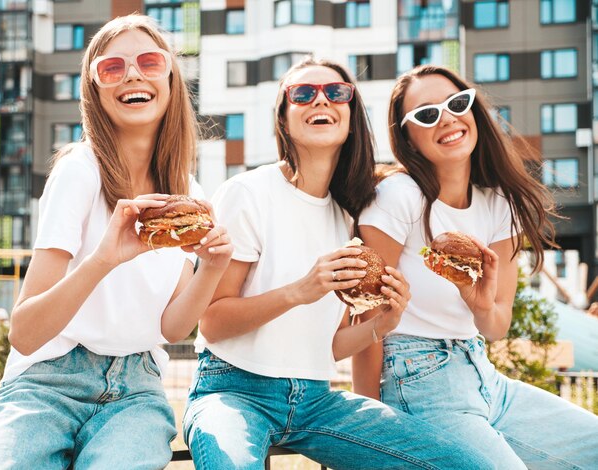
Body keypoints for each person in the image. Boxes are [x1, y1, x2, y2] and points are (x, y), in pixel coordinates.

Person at [182, 58, 494, 470]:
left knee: (466, 465)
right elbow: (213, 323)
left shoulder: (348, 216)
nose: (321, 100)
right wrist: (299, 291)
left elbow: (326, 347)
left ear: (351, 117)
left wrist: (381, 324)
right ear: (284, 117)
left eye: (337, 92)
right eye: (303, 93)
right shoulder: (248, 193)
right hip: (233, 390)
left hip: (316, 399)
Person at [0, 15, 232, 469]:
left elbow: (172, 329)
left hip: (136, 390)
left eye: (149, 62)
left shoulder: (189, 197)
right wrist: (104, 259)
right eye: (112, 67)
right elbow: (26, 333)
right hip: (49, 380)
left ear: (171, 78)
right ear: (95, 90)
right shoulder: (80, 170)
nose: (132, 73)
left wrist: (211, 268)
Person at [354, 64, 598, 469]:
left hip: (483, 375)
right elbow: (367, 321)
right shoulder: (397, 198)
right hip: (417, 382)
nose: (447, 118)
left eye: (457, 103)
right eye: (427, 114)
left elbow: (496, 327)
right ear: (408, 138)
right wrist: (368, 433)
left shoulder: (500, 203)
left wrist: (480, 304)